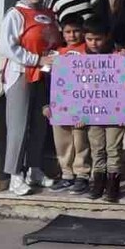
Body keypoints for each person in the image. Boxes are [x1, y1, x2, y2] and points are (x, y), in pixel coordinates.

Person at [0, 0, 61, 196]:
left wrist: (52, 57)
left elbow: (55, 42)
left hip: (43, 76)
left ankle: (34, 169)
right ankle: (15, 175)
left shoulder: (48, 14)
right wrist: (36, 60)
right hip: (21, 74)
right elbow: (8, 47)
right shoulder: (15, 14)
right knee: (18, 127)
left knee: (39, 124)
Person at [80, 18, 125, 202]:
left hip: (114, 113)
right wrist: (78, 113)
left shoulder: (118, 57)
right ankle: (97, 183)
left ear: (106, 37)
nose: (94, 43)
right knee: (97, 149)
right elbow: (75, 90)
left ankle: (113, 186)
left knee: (113, 149)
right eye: (90, 39)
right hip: (92, 113)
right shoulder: (79, 59)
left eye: (98, 39)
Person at [46, 16, 89, 194]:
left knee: (80, 141)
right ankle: (66, 175)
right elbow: (46, 79)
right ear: (62, 34)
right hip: (60, 105)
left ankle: (82, 175)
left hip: (83, 104)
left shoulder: (89, 51)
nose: (72, 35)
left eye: (76, 31)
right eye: (68, 32)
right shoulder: (56, 53)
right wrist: (45, 104)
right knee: (62, 141)